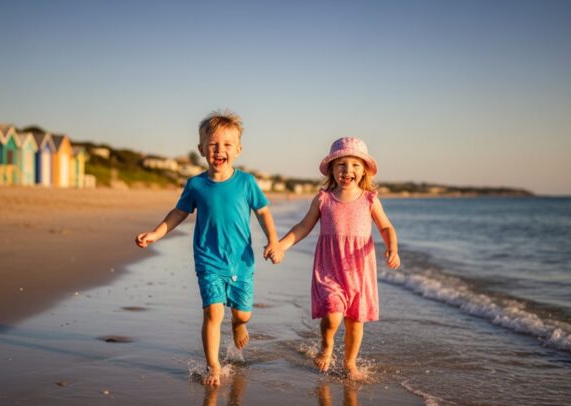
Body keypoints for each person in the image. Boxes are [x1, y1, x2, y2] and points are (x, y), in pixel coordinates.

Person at [136, 110, 281, 386]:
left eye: (227, 145)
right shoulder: (196, 185)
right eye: (213, 144)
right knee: (213, 312)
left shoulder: (247, 182)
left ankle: (239, 325)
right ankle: (213, 365)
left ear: (238, 150)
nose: (219, 150)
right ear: (201, 149)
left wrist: (273, 241)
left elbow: (263, 212)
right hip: (208, 259)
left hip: (241, 261)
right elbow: (178, 213)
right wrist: (156, 234)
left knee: (242, 313)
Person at [278, 137, 399, 380]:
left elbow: (386, 227)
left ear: (364, 169)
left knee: (355, 321)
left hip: (359, 271)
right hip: (329, 269)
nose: (348, 170)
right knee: (332, 316)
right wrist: (282, 245)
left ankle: (350, 362)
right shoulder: (324, 198)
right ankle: (326, 344)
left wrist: (392, 248)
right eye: (341, 164)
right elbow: (304, 226)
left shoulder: (369, 199)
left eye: (355, 165)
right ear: (332, 168)